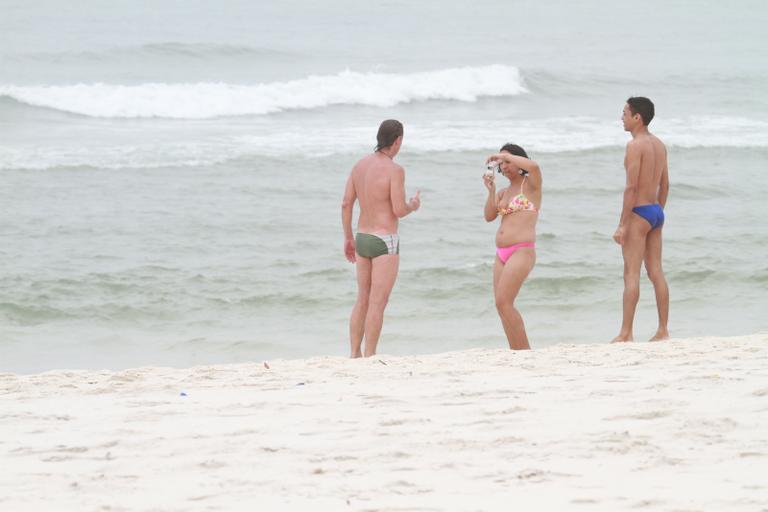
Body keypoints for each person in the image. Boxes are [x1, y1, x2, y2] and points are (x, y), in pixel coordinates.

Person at [341, 120, 421, 358]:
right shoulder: (395, 170)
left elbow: (346, 203)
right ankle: (370, 355)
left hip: (362, 237)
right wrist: (413, 206)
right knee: (378, 302)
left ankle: (354, 353)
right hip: (385, 240)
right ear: (397, 141)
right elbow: (398, 209)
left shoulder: (359, 166)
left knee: (362, 299)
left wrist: (348, 238)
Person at [612, 96, 670, 342]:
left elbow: (631, 188)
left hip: (639, 212)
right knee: (656, 271)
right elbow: (665, 184)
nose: (621, 118)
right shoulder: (659, 144)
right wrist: (657, 214)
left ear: (638, 117)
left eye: (625, 113)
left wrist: (622, 224)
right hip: (656, 211)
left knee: (631, 274)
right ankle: (663, 330)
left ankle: (626, 333)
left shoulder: (635, 146)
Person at [484, 144, 542, 350]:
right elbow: (489, 216)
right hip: (501, 254)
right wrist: (491, 191)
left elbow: (534, 166)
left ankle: (525, 351)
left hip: (522, 250)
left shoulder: (531, 185)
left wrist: (503, 155)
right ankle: (515, 351)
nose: (505, 166)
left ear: (519, 162)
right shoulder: (503, 191)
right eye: (502, 163)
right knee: (501, 306)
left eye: (509, 162)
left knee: (505, 302)